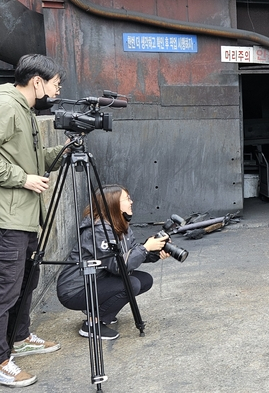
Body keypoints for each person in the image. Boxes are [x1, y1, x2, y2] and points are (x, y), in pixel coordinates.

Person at [0, 54, 67, 388]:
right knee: (6, 288)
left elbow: (37, 161)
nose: (56, 91)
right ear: (37, 81)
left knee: (26, 281)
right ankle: (0, 360)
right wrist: (21, 178)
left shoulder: (25, 111)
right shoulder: (7, 106)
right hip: (8, 217)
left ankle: (20, 337)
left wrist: (68, 148)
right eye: (55, 84)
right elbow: (22, 170)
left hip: (24, 217)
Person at [57, 185, 170, 340]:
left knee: (144, 280)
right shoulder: (98, 230)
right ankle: (92, 324)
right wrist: (145, 249)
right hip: (75, 289)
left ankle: (104, 310)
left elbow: (130, 253)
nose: (131, 202)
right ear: (113, 205)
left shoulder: (119, 223)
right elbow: (117, 266)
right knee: (132, 284)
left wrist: (154, 251)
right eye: (127, 199)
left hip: (98, 279)